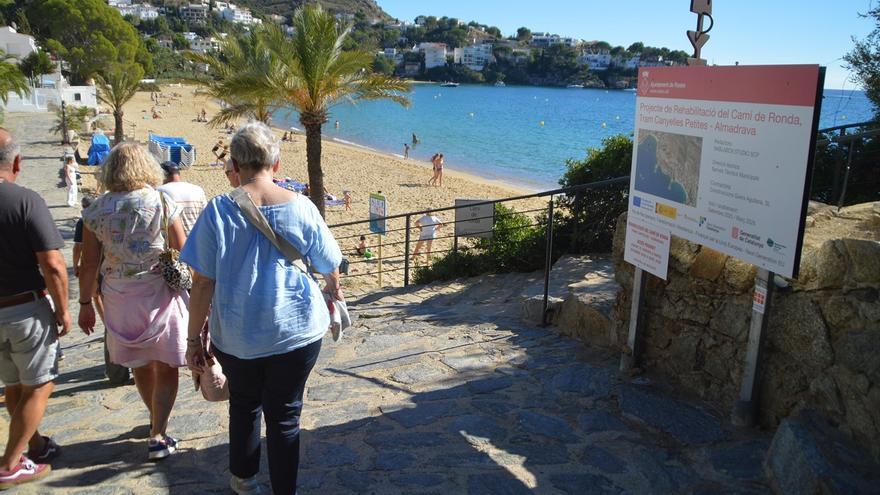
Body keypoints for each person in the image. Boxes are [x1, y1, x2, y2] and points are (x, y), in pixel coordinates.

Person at [181, 122, 342, 495]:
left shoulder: (219, 210)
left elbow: (202, 281)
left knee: (244, 404)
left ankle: (244, 481)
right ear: (277, 161)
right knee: (286, 416)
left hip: (237, 335)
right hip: (297, 331)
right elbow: (329, 265)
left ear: (235, 165)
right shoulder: (301, 206)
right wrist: (334, 291)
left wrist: (193, 340)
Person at [77, 143, 189, 461]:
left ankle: (154, 423)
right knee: (167, 366)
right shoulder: (163, 200)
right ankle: (159, 433)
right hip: (160, 292)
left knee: (140, 364)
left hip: (118, 296)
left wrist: (85, 303)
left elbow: (89, 263)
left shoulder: (96, 210)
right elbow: (184, 248)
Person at [0, 129, 69, 489]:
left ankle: (36, 445)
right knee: (40, 384)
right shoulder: (25, 201)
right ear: (16, 162)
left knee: (15, 384)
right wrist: (63, 309)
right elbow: (53, 263)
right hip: (24, 309)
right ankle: (10, 464)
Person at [72, 196, 130, 385]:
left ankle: (117, 372)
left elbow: (88, 259)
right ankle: (138, 368)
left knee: (112, 326)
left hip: (108, 277)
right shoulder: (124, 213)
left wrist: (85, 301)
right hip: (129, 277)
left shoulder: (93, 217)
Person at [158, 162, 208, 237]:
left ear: (162, 175)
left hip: (171, 242)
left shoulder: (159, 191)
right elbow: (205, 218)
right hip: (194, 240)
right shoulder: (197, 190)